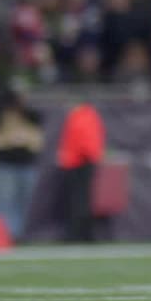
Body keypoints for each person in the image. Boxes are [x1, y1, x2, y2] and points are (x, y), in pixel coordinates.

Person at [0, 87, 44, 241]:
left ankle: (16, 236)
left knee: (22, 203)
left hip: (26, 164)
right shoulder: (1, 115)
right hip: (6, 164)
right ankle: (1, 236)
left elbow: (37, 124)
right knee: (3, 203)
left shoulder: (29, 115)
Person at [57, 102, 105, 242]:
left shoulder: (80, 117)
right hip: (82, 161)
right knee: (82, 200)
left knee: (79, 201)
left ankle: (79, 234)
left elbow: (83, 141)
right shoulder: (88, 116)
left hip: (79, 162)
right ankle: (83, 233)